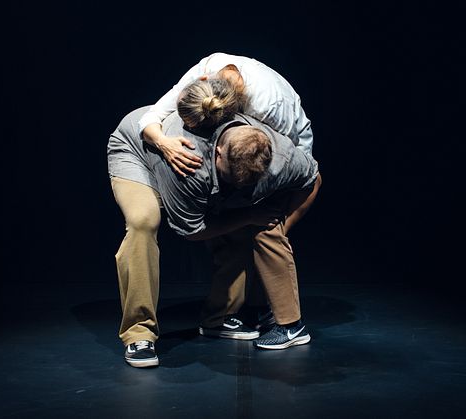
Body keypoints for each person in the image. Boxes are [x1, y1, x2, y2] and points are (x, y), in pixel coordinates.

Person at [107, 80, 322, 368]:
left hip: (203, 174)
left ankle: (217, 319)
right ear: (218, 153)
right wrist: (246, 216)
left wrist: (279, 227)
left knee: (239, 220)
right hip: (139, 149)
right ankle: (139, 333)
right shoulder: (189, 162)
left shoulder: (282, 156)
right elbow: (191, 230)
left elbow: (313, 181)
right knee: (143, 221)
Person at [139, 52, 314, 177]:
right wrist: (163, 143)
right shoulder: (207, 69)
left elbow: (293, 150)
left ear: (203, 80)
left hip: (294, 136)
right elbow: (151, 115)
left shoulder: (268, 106)